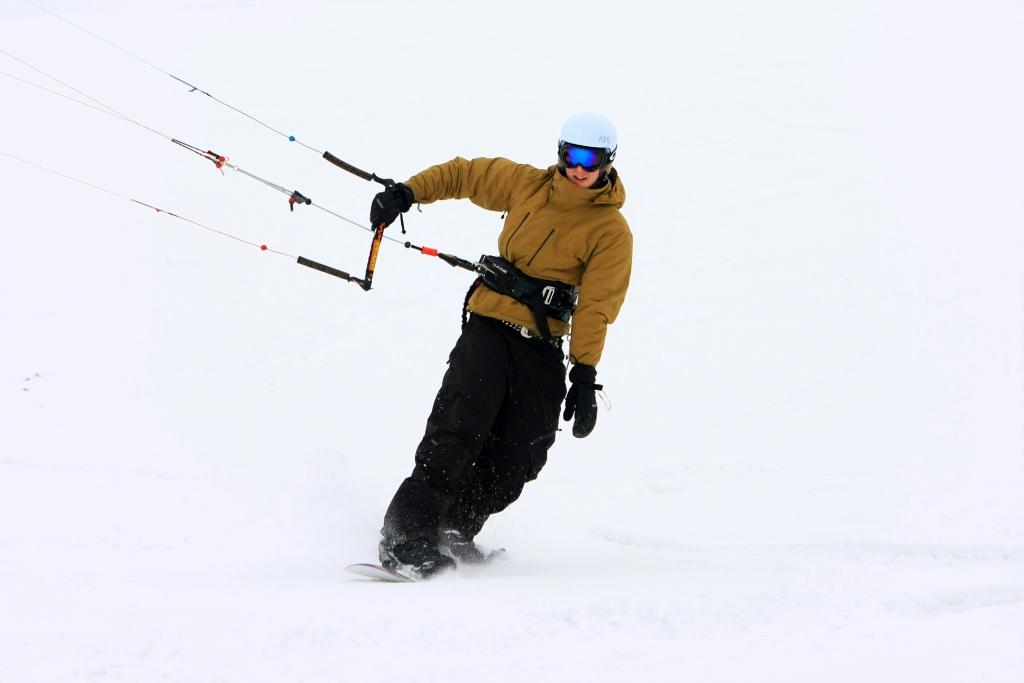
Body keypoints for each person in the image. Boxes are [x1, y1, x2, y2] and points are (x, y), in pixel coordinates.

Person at [369, 112, 632, 578]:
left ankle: (453, 527)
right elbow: (465, 174)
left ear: (607, 162)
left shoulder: (611, 231)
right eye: (571, 154)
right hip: (490, 326)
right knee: (459, 426)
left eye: (590, 159)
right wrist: (407, 192)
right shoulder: (526, 185)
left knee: (524, 450)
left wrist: (584, 374)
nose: (579, 167)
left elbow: (597, 306)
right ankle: (406, 535)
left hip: (542, 343)